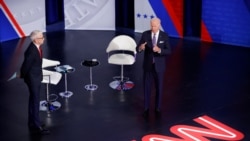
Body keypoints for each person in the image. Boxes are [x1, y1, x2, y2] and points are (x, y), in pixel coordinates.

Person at [136, 18, 171, 117]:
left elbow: (168, 51)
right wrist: (140, 48)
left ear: (159, 25)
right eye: (151, 25)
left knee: (159, 87)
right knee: (147, 87)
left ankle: (158, 107)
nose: (153, 28)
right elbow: (138, 48)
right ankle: (146, 107)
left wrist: (159, 50)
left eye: (155, 26)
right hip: (148, 66)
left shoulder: (164, 36)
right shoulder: (145, 34)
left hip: (159, 67)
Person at [20, 30, 50, 135]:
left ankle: (32, 122)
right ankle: (37, 126)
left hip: (36, 77)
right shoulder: (31, 52)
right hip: (33, 79)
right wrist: (23, 76)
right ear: (36, 40)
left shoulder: (36, 47)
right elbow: (25, 66)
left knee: (33, 100)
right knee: (35, 101)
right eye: (42, 37)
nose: (44, 39)